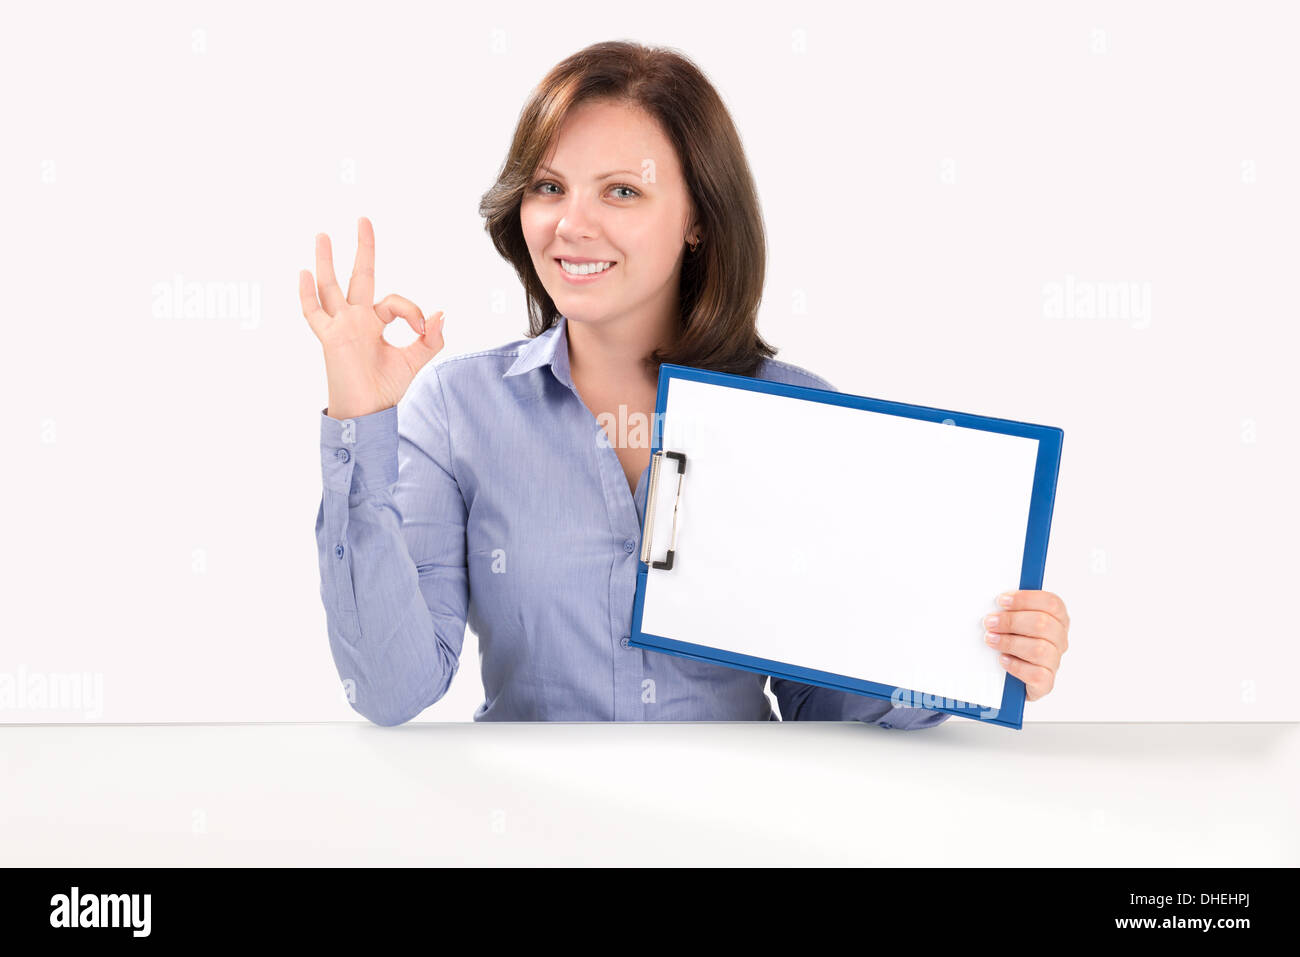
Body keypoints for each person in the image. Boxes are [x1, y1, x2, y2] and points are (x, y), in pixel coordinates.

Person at [300, 41, 1070, 727]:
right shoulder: (459, 410)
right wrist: (360, 419)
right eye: (549, 187)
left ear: (698, 216)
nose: (572, 224)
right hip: (532, 833)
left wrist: (971, 650)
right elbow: (390, 686)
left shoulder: (793, 413)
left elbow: (824, 701)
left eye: (622, 191)